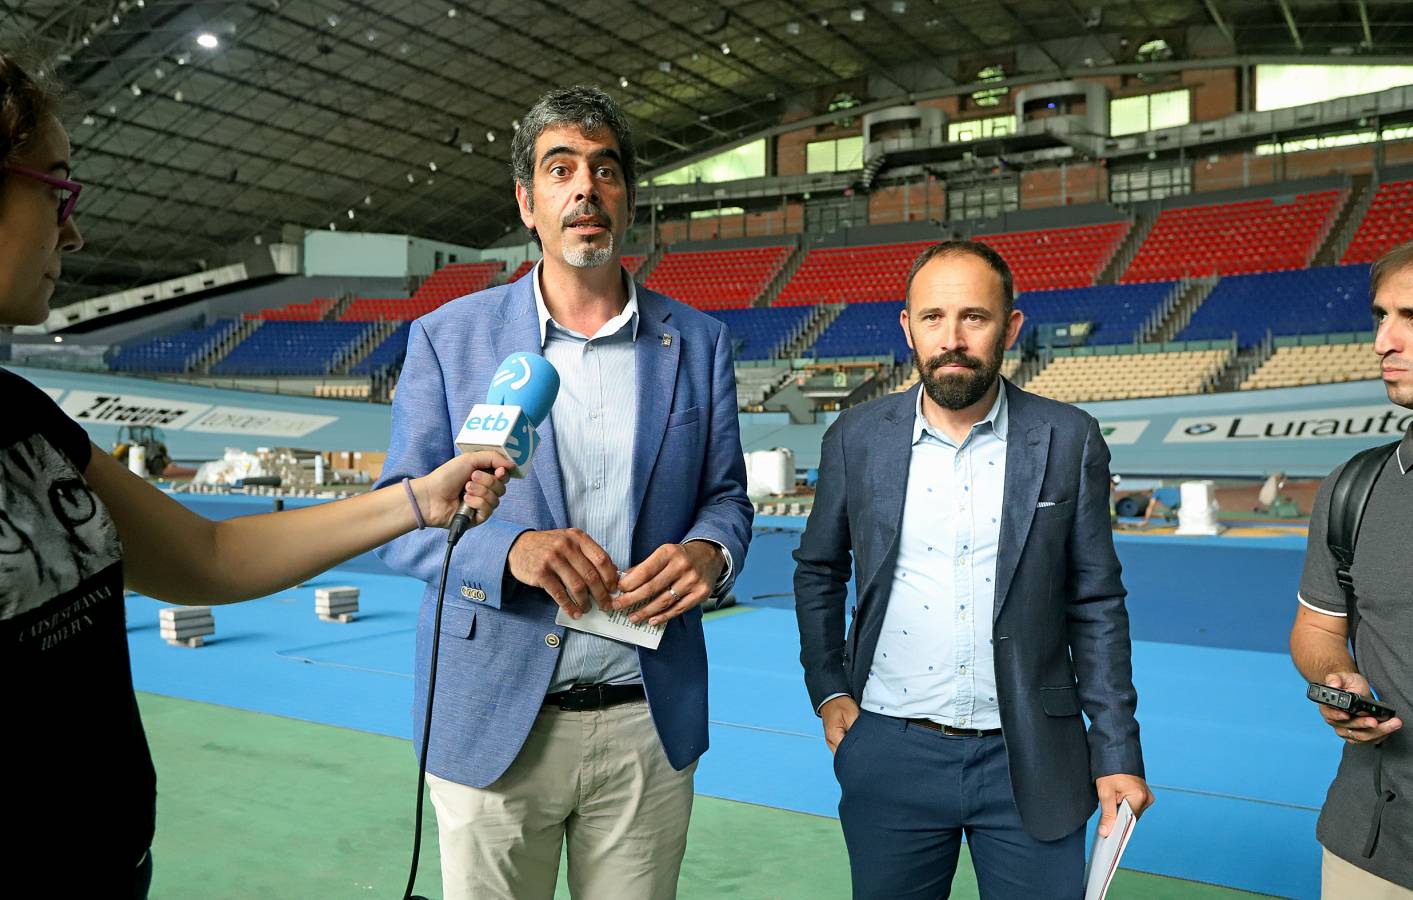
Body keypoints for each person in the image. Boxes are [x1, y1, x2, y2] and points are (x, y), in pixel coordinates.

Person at [0, 52, 511, 897]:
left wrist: (419, 500)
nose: (73, 230)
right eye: (55, 190)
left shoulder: (27, 421)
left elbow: (207, 556)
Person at [374, 85, 752, 900]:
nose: (586, 187)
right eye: (560, 169)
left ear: (626, 200)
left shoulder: (698, 342)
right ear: (528, 201)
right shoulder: (448, 339)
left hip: (644, 721)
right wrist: (509, 549)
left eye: (605, 170)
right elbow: (400, 518)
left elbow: (726, 497)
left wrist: (709, 552)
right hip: (492, 723)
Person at [793, 240, 1153, 899]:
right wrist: (827, 686)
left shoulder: (1067, 438)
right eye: (931, 318)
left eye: (973, 318)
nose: (951, 338)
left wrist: (1116, 751)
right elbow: (818, 570)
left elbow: (1096, 601)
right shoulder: (855, 437)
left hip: (1033, 755)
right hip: (890, 750)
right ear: (907, 328)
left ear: (1010, 328)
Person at [1290, 242, 1413, 897]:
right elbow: (1316, 629)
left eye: (1410, 317)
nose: (1381, 341)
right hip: (1370, 849)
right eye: (1378, 315)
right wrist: (1334, 677)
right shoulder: (1354, 488)